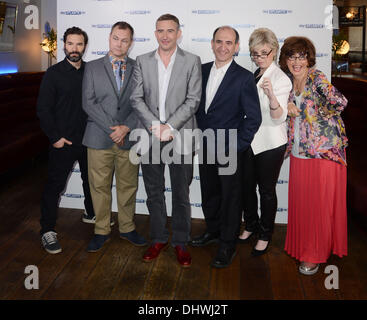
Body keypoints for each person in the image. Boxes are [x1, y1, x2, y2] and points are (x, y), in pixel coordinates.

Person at [130, 14, 202, 268]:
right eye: (160, 30)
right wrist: (155, 126)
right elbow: (136, 98)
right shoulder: (142, 61)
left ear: (178, 33)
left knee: (181, 194)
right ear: (155, 32)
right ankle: (159, 238)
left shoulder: (192, 61)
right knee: (154, 192)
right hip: (150, 136)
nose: (165, 35)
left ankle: (181, 241)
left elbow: (193, 100)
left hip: (180, 135)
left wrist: (170, 126)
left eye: (170, 30)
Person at [191, 26, 262, 268]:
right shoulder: (200, 71)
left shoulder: (243, 77)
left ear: (236, 47)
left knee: (231, 199)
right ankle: (213, 231)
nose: (223, 47)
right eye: (219, 42)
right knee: (210, 192)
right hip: (205, 145)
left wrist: (238, 146)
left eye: (229, 43)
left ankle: (227, 244)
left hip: (230, 150)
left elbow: (253, 118)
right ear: (212, 44)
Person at [279, 36, 348, 275]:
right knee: (304, 206)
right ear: (285, 60)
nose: (296, 61)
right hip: (299, 152)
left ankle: (314, 255)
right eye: (291, 56)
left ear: (309, 59)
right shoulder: (286, 83)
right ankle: (303, 247)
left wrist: (316, 106)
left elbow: (340, 103)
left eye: (301, 56)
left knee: (319, 208)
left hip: (323, 155)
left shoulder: (317, 78)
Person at [83, 21, 146, 252]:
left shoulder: (138, 68)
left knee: (128, 186)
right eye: (116, 38)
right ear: (109, 38)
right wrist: (114, 129)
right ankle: (101, 230)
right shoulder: (92, 67)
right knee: (99, 187)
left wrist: (126, 128)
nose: (119, 44)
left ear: (131, 42)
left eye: (125, 40)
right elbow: (88, 103)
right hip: (98, 137)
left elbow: (141, 104)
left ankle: (127, 228)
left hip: (128, 139)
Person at [37, 26, 95, 254]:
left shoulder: (91, 71)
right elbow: (43, 109)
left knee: (90, 182)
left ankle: (91, 213)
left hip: (89, 140)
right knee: (55, 186)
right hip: (64, 142)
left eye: (79, 44)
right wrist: (55, 138)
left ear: (84, 46)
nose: (74, 48)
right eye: (70, 43)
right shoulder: (53, 73)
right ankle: (47, 230)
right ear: (63, 45)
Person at [238, 28, 292, 256]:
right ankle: (250, 224)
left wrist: (271, 97)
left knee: (267, 191)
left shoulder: (280, 78)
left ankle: (265, 233)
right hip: (250, 141)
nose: (259, 58)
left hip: (271, 144)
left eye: (264, 53)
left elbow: (279, 117)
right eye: (255, 54)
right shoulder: (255, 74)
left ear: (274, 51)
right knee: (246, 187)